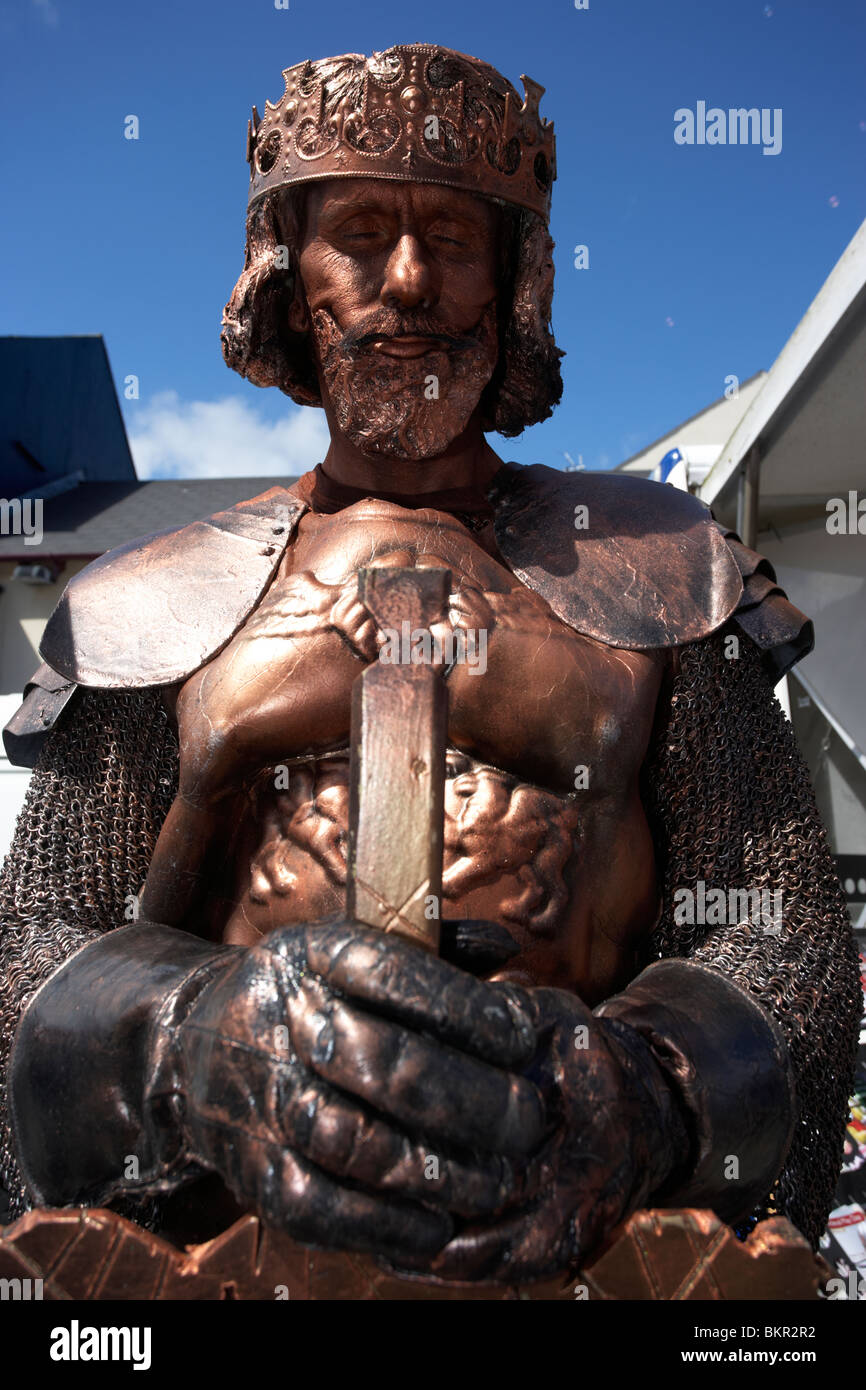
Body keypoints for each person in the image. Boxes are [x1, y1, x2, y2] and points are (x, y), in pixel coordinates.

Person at [0, 44, 859, 1287]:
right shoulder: (152, 602)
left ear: (509, 281)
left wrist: (647, 1095)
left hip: (584, 1259)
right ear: (290, 282)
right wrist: (185, 1043)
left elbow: (773, 932)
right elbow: (36, 943)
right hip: (220, 1255)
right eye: (359, 231)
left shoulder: (661, 569)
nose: (406, 282)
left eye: (453, 238)